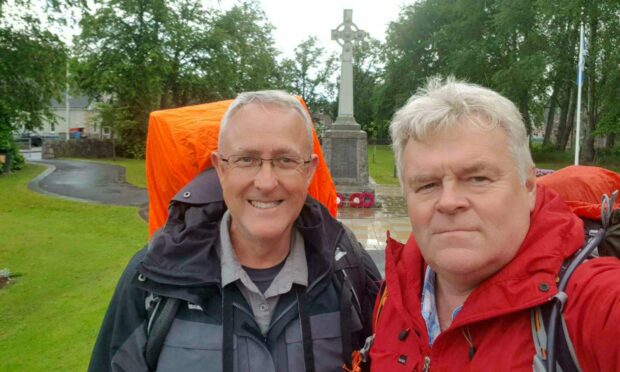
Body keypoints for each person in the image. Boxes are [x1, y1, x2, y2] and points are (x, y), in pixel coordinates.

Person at [88, 90, 381, 372]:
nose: (266, 183)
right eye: (246, 159)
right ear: (220, 168)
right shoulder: (151, 279)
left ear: (309, 170)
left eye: (286, 160)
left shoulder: (348, 270)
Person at [369, 78, 620, 371]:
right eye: (427, 185)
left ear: (528, 186)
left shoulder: (594, 305)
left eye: (478, 179)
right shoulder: (393, 296)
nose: (449, 202)